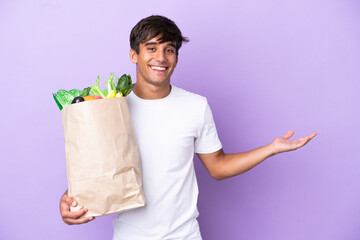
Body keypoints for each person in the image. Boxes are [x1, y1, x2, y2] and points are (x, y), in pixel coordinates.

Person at [59, 15, 317, 239]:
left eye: (169, 50)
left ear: (176, 58)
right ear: (134, 54)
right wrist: (71, 197)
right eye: (151, 48)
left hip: (185, 236)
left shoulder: (196, 106)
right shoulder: (111, 109)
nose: (161, 57)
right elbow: (98, 170)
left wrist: (270, 148)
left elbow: (217, 166)